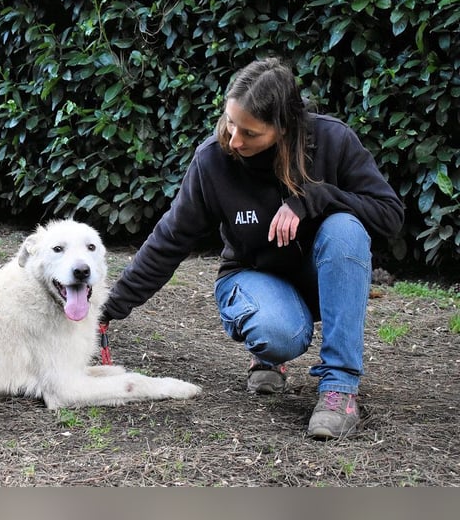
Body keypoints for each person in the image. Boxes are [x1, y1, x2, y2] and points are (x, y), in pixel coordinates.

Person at [101, 57, 405, 439]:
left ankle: (339, 388)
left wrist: (319, 197)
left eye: (250, 132)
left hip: (321, 278)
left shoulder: (332, 141)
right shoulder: (213, 161)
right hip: (253, 277)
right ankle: (268, 355)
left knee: (346, 228)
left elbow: (390, 216)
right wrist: (109, 307)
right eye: (230, 121)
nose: (234, 139)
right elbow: (169, 240)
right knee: (279, 334)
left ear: (285, 127)